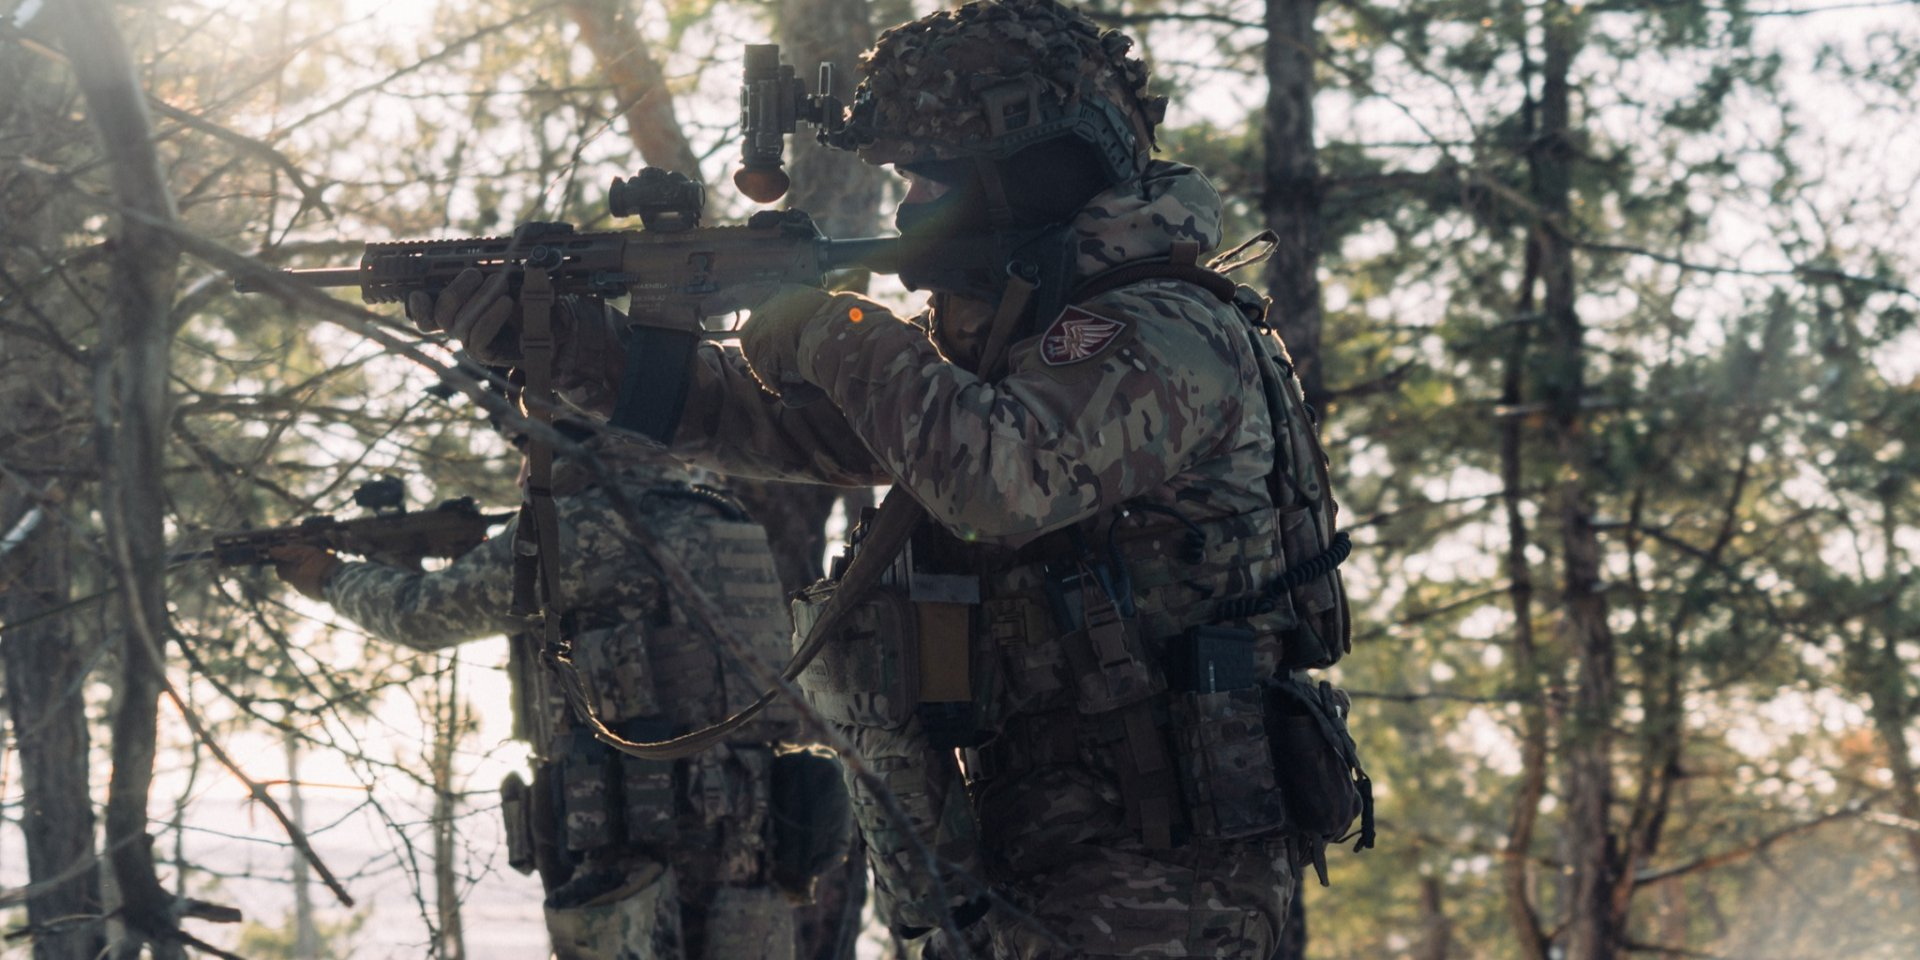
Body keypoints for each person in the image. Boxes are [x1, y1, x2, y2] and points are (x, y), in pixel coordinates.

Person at [413, 1, 1368, 956]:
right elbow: (759, 421)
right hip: (1035, 843)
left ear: (1024, 171)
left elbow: (1001, 480)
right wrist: (561, 345)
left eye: (927, 179)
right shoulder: (1008, 351)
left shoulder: (1165, 327)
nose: (909, 209)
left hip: (1163, 868)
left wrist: (831, 328)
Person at [269, 435, 853, 960]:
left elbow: (420, 614)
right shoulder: (721, 518)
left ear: (569, 443)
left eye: (528, 449)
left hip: (641, 863)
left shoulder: (581, 526)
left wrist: (329, 577)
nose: (522, 473)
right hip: (746, 855)